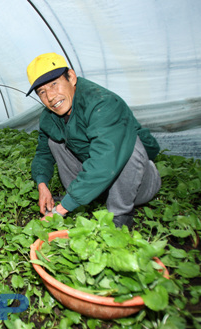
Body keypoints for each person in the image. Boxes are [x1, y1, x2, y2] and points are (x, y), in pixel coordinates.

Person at [26, 53, 161, 229]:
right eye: (42, 92)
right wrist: (42, 185)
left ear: (72, 78)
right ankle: (81, 196)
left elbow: (104, 160)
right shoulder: (49, 117)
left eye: (54, 84)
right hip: (101, 186)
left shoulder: (102, 104)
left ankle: (120, 213)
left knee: (124, 144)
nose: (50, 96)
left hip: (138, 186)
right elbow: (43, 153)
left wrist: (60, 210)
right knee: (54, 142)